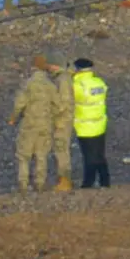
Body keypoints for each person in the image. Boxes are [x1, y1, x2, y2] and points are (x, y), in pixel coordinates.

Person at [8, 55, 58, 194]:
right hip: (45, 124)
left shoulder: (27, 84)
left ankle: (23, 184)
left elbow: (19, 104)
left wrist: (13, 118)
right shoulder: (50, 85)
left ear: (33, 67)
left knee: (24, 155)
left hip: (29, 124)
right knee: (41, 155)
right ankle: (40, 183)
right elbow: (58, 105)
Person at [72, 58, 110, 188]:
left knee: (88, 156)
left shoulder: (77, 86)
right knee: (100, 154)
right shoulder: (99, 83)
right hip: (99, 124)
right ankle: (105, 181)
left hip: (85, 126)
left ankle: (88, 182)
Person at [46, 50, 74, 191]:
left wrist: (54, 115)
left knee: (61, 150)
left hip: (62, 121)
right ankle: (63, 179)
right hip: (63, 119)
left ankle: (65, 181)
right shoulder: (63, 78)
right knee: (61, 150)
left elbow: (63, 102)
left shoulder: (62, 80)